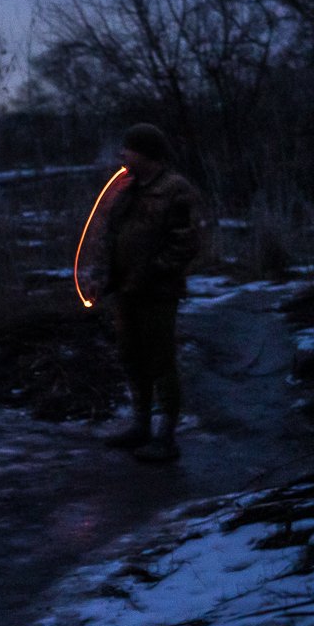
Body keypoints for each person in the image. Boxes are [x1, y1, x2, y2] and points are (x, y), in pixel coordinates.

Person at [95, 122, 204, 463]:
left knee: (160, 359)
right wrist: (104, 276)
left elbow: (186, 242)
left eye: (128, 149)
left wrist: (153, 270)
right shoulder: (127, 190)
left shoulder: (175, 190)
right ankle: (140, 424)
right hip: (125, 290)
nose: (122, 155)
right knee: (131, 355)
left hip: (156, 291)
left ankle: (166, 436)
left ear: (146, 153)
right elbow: (110, 238)